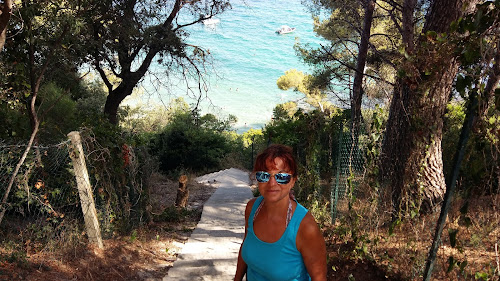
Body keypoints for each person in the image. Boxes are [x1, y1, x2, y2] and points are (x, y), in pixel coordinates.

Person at [234, 144, 327, 281]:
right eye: (264, 175)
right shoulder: (252, 209)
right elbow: (246, 247)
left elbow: (319, 278)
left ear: (293, 181)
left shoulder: (305, 227)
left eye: (281, 177)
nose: (272, 183)